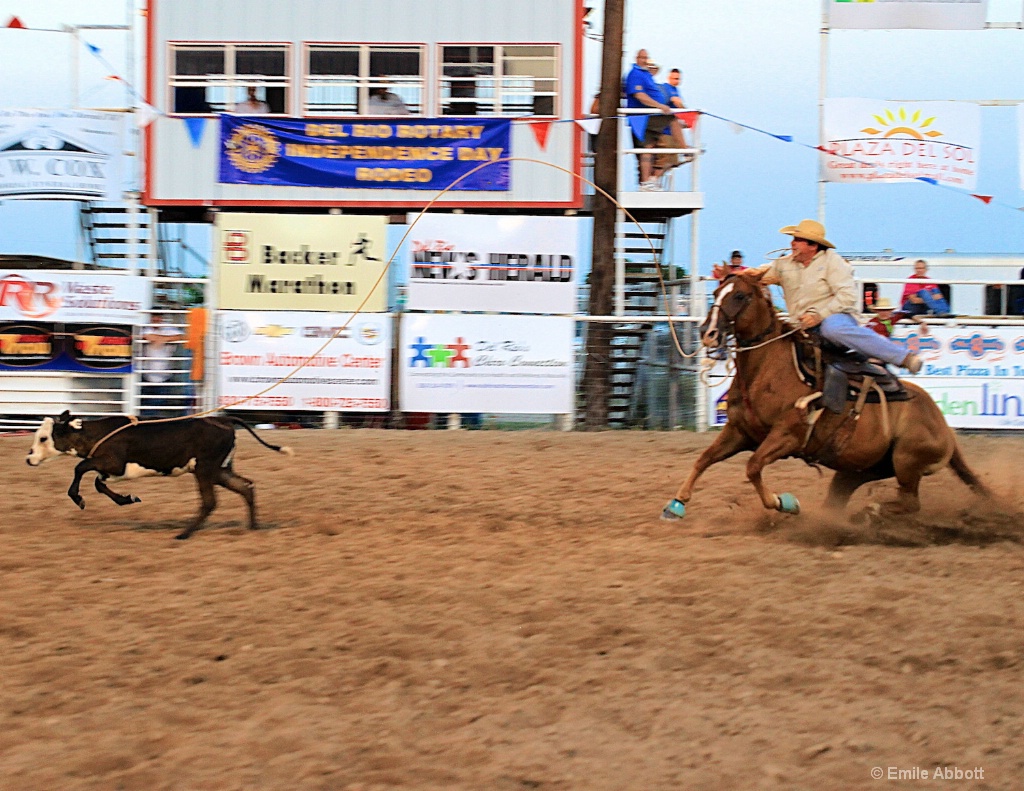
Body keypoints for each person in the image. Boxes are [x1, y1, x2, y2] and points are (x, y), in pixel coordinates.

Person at [714, 219, 922, 374]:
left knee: (834, 328)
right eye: (793, 239)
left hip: (835, 317)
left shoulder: (833, 262)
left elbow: (847, 297)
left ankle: (902, 357)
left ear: (813, 245)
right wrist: (733, 275)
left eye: (797, 240)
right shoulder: (784, 265)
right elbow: (757, 275)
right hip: (800, 323)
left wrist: (819, 315)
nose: (792, 243)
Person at [622, 49, 682, 191]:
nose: (645, 60)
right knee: (672, 120)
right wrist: (660, 106)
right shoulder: (635, 74)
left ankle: (648, 182)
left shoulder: (645, 75)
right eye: (642, 57)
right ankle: (684, 148)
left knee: (648, 149)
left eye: (646, 58)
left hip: (648, 117)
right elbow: (639, 95)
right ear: (637, 58)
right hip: (643, 117)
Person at [141, 313, 186, 418]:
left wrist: (161, 339)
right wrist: (164, 338)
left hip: (164, 374)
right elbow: (145, 335)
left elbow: (181, 336)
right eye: (154, 316)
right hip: (145, 373)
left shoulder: (168, 328)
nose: (156, 319)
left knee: (158, 403)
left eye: (158, 316)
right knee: (145, 403)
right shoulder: (146, 327)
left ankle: (152, 423)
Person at [864, 297, 929, 338]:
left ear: (890, 311)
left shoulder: (894, 317)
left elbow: (908, 313)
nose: (884, 313)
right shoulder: (872, 322)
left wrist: (921, 322)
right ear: (877, 311)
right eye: (881, 310)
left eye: (886, 310)